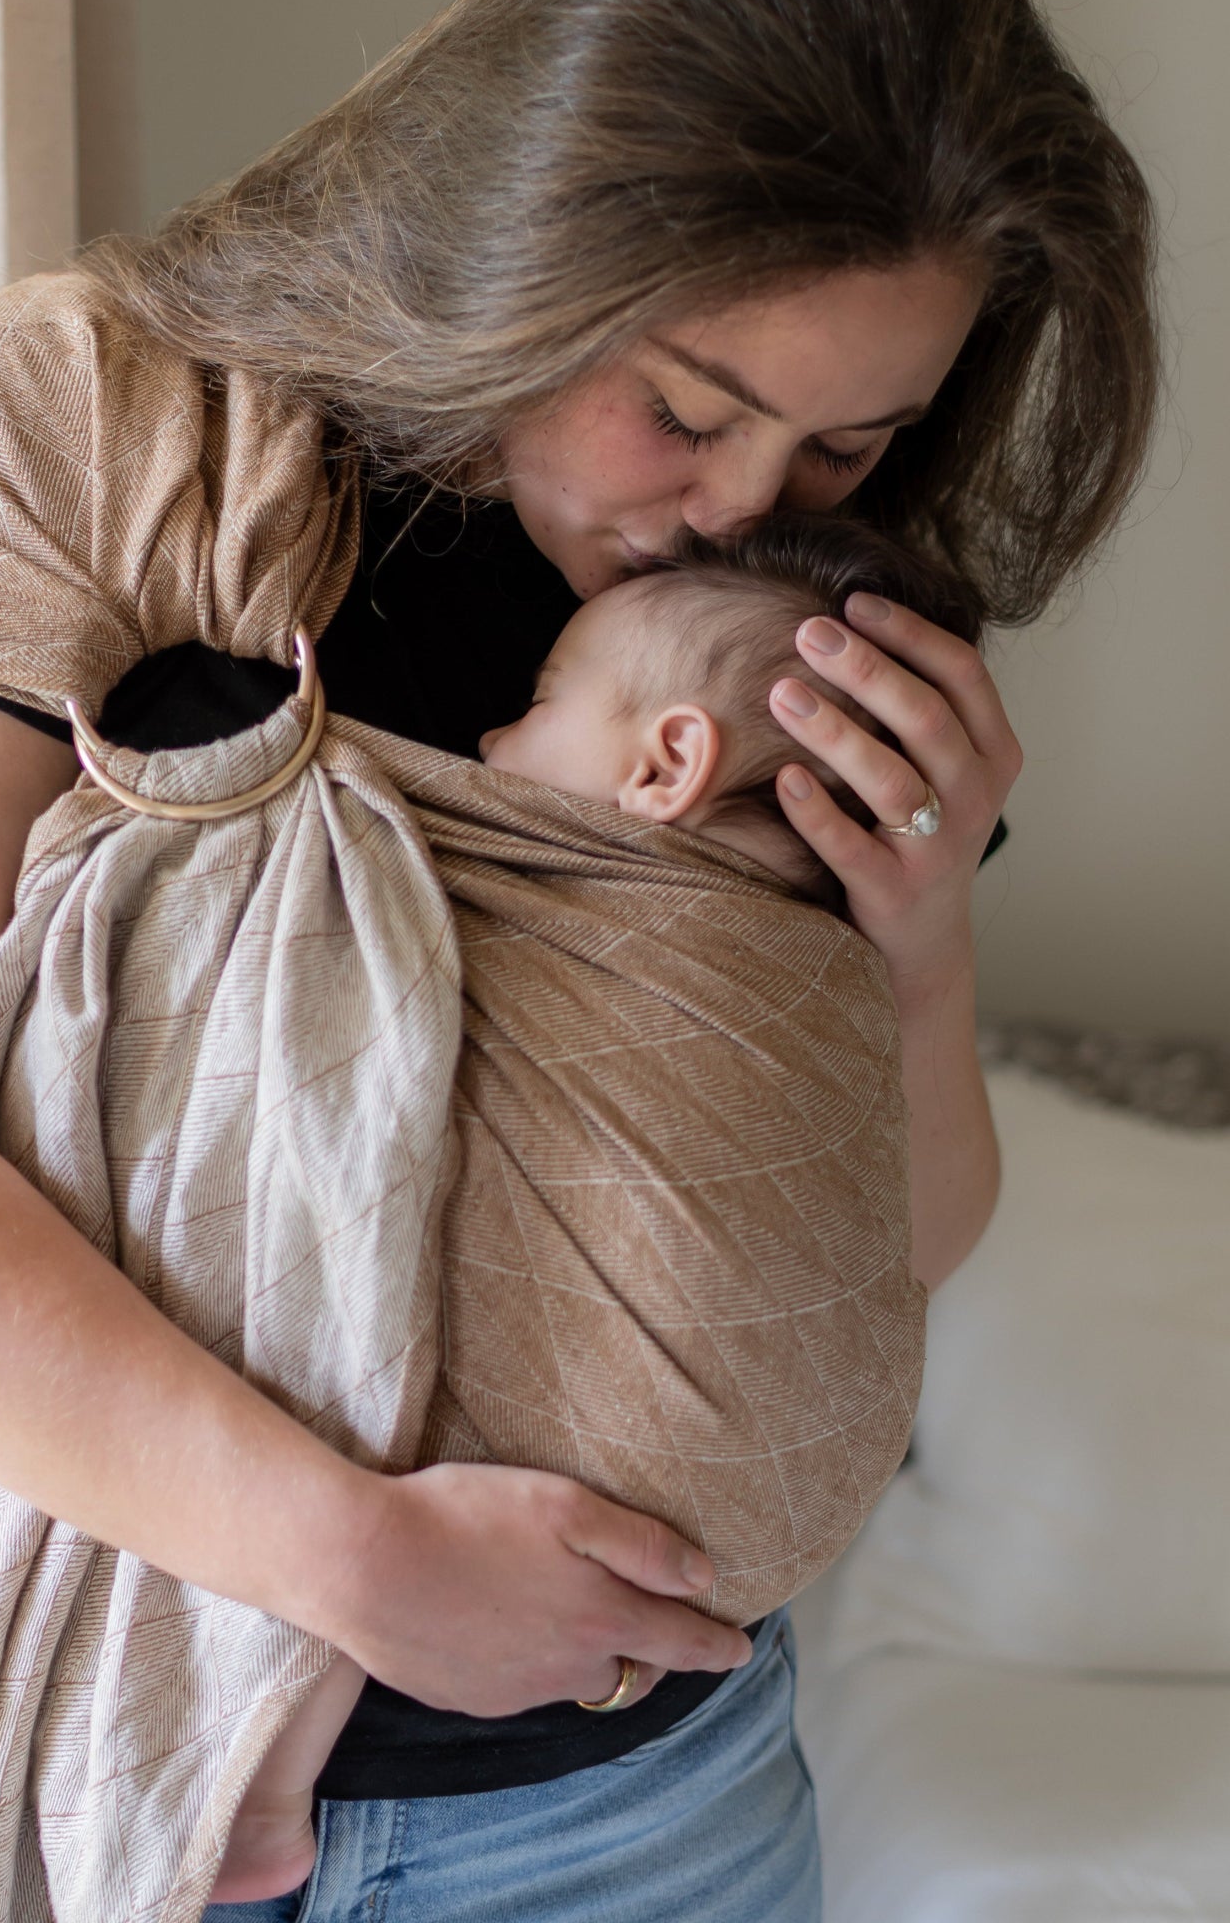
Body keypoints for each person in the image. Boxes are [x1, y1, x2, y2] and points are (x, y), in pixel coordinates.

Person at [0, 0, 1157, 1918]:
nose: (738, 508)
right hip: (144, 1772)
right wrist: (349, 1560)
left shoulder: (789, 645)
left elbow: (863, 1244)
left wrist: (915, 960)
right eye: (688, 405)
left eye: (852, 441)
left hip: (645, 1809)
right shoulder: (95, 438)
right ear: (515, 237)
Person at [208, 509, 985, 1908]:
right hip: (673, 1613)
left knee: (348, 1321)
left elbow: (902, 1243)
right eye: (687, 413)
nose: (497, 746)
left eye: (538, 709)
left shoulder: (791, 934)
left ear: (666, 764)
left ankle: (274, 1761)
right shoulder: (228, 526)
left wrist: (924, 954)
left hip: (639, 1778)